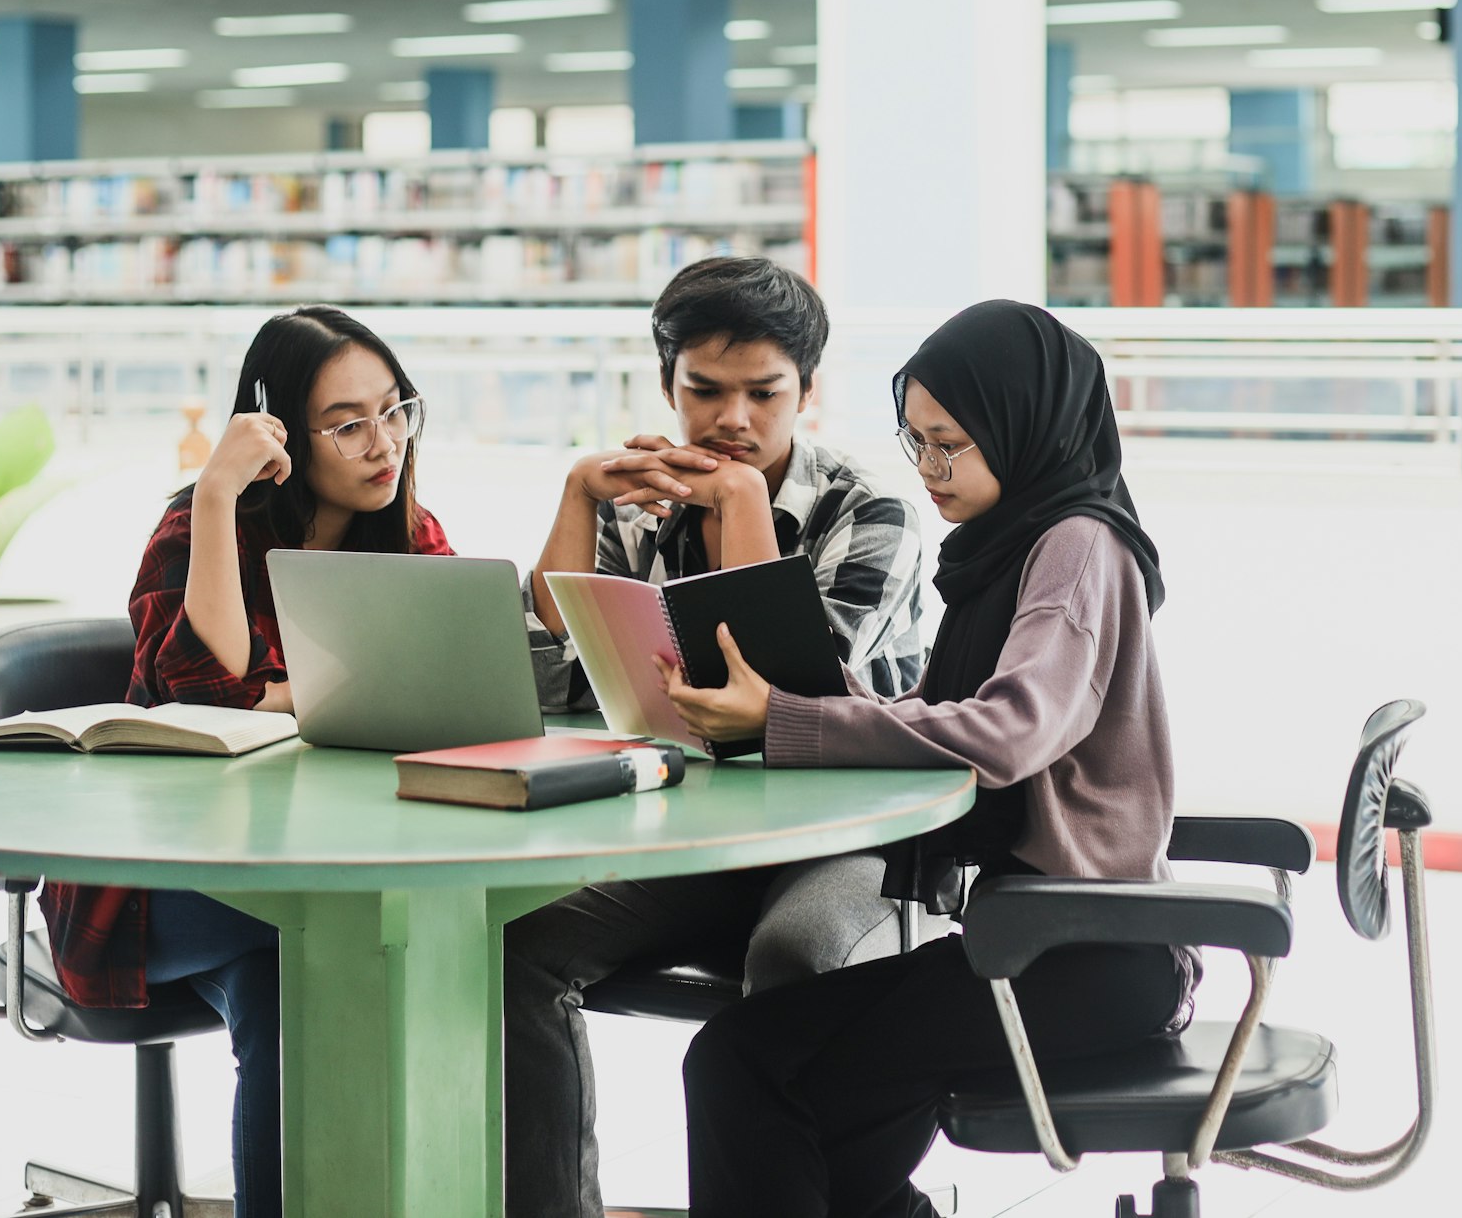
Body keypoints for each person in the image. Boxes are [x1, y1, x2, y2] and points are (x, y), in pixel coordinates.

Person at [659, 300, 1199, 1218]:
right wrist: (826, 707)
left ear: (1024, 429)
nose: (930, 471)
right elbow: (949, 710)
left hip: (1088, 953)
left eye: (952, 444)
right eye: (917, 443)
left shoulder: (1077, 546)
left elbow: (1005, 730)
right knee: (817, 1122)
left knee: (744, 1062)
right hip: (1038, 938)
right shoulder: (1017, 544)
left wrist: (789, 720)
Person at [504, 256, 927, 1217]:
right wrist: (578, 497)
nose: (732, 419)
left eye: (763, 393)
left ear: (807, 392)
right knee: (514, 943)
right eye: (705, 391)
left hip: (849, 834)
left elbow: (782, 690)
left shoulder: (871, 511)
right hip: (699, 833)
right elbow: (551, 679)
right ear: (667, 387)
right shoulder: (635, 506)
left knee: (794, 958)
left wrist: (740, 507)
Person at [37, 305, 450, 1218]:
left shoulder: (406, 534)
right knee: (342, 945)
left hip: (309, 865)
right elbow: (207, 691)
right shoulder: (194, 531)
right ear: (277, 435)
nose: (382, 443)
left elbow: (449, 672)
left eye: (394, 410)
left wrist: (289, 689)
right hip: (152, 883)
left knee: (299, 974)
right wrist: (220, 494)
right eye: (347, 424)